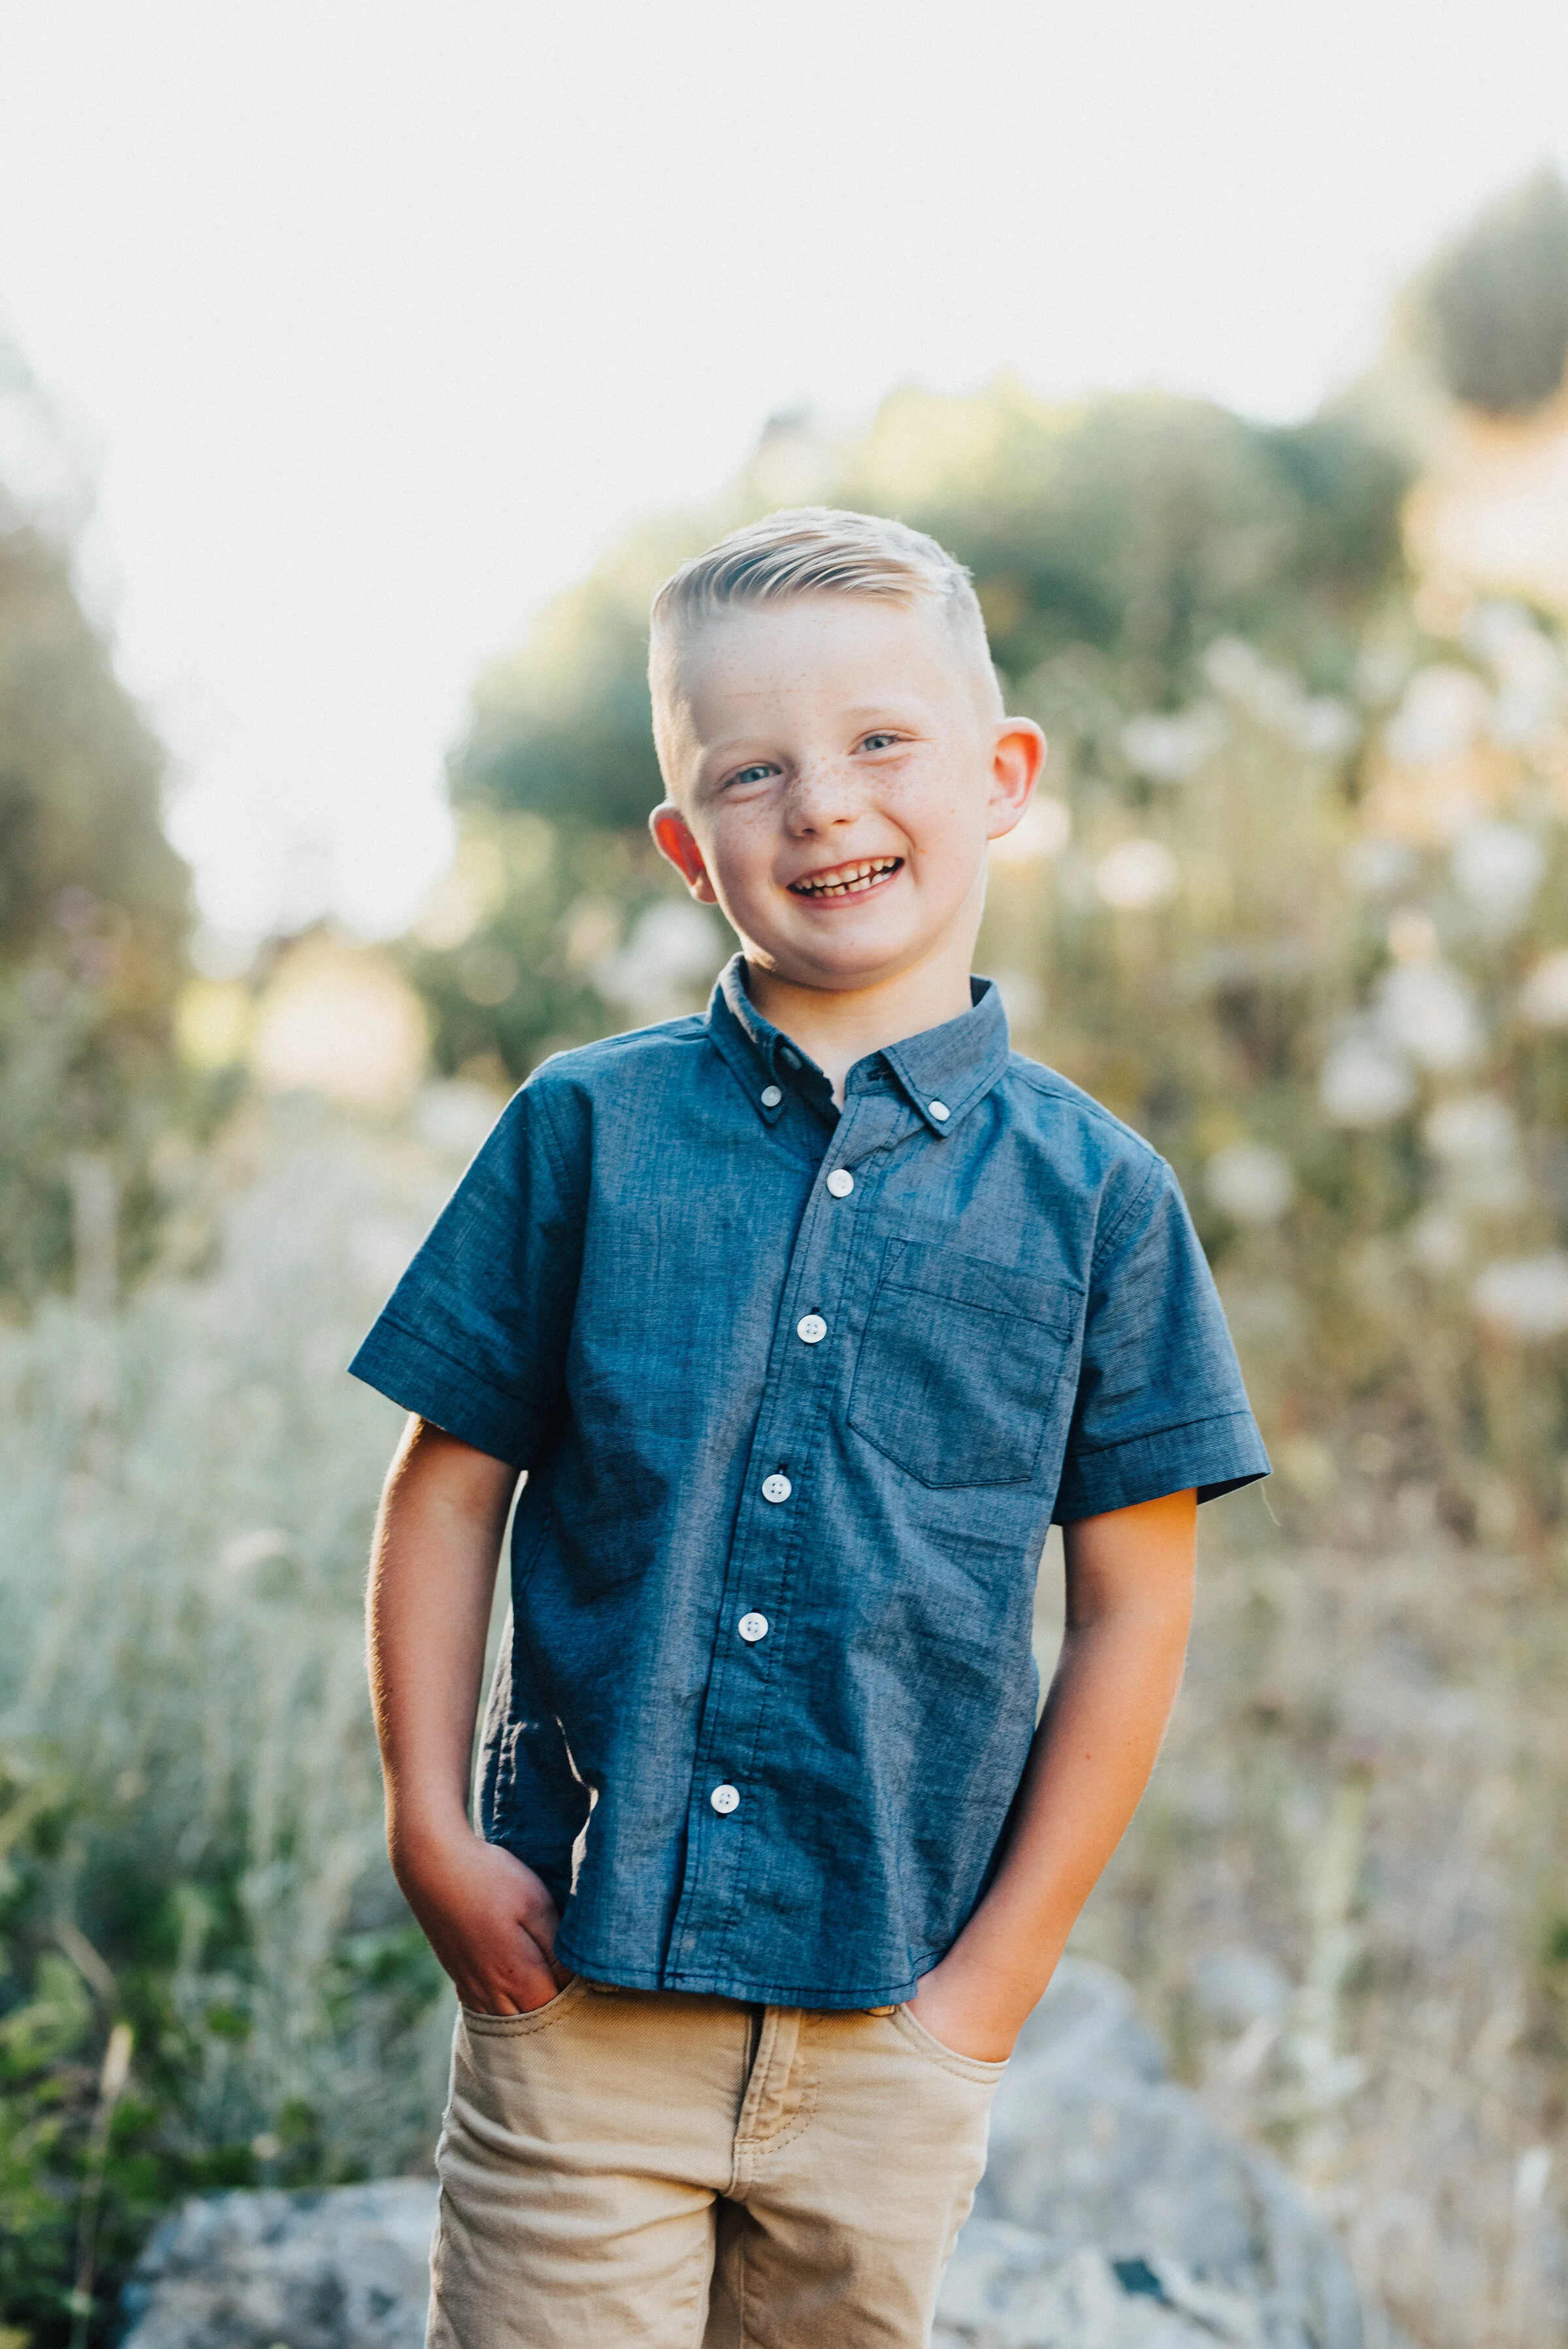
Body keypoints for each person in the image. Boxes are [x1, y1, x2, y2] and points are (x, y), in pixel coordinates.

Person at [350, 508, 1269, 2348]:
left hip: (892, 2027)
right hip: (581, 2003)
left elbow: (1135, 1611)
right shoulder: (585, 1133)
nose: (824, 806)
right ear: (687, 850)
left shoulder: (1102, 1198)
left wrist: (990, 1991)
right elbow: (444, 1499)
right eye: (750, 771)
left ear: (1001, 777)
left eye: (879, 742)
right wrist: (429, 1832)